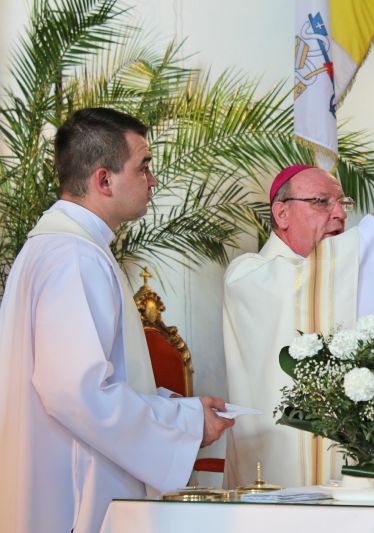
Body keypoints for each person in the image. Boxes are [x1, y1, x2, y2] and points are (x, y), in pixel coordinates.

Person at [0, 108, 234, 533]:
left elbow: (98, 381)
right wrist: (185, 422)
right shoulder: (74, 256)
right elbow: (77, 392)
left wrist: (181, 410)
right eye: (143, 166)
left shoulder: (62, 247)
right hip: (78, 496)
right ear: (104, 180)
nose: (153, 179)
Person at [223, 165, 374, 488]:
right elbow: (296, 288)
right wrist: (372, 229)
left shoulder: (349, 275)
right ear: (282, 213)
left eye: (343, 204)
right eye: (321, 202)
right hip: (276, 470)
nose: (339, 214)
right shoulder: (247, 274)